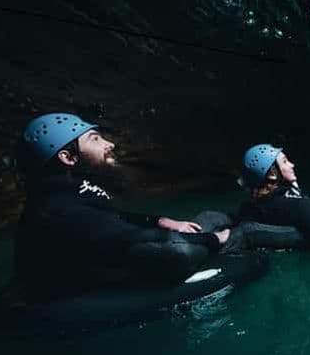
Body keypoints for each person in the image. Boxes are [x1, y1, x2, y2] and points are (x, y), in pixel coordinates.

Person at [13, 112, 231, 301]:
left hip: (102, 253)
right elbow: (134, 236)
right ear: (68, 157)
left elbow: (112, 218)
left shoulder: (71, 185)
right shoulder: (56, 207)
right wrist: (213, 239)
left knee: (211, 217)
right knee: (177, 251)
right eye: (95, 139)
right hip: (78, 283)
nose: (110, 144)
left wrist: (161, 221)